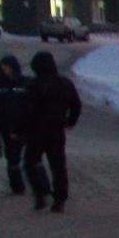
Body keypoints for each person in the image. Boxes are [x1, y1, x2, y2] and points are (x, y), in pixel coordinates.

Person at [23, 49, 82, 213]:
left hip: (37, 132)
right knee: (58, 166)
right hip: (57, 130)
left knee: (30, 163)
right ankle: (60, 200)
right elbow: (76, 105)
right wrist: (70, 122)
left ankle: (41, 193)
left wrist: (22, 130)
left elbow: (26, 110)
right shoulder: (64, 83)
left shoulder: (33, 85)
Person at [0, 54, 31, 196]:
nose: (5, 69)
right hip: (6, 126)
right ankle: (17, 186)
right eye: (3, 67)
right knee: (12, 157)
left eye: (7, 66)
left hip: (24, 125)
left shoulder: (25, 82)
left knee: (30, 156)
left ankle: (38, 183)